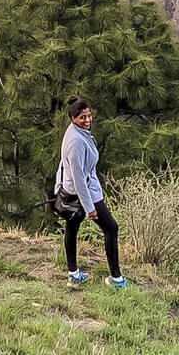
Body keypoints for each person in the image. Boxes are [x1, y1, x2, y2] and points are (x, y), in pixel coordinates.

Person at [55, 96, 127, 288]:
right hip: (83, 192)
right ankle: (116, 279)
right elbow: (79, 177)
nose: (87, 120)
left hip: (72, 190)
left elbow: (64, 164)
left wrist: (59, 185)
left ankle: (73, 275)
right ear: (73, 119)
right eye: (82, 118)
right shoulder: (76, 141)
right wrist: (89, 207)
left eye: (89, 116)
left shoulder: (74, 133)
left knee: (72, 228)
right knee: (111, 228)